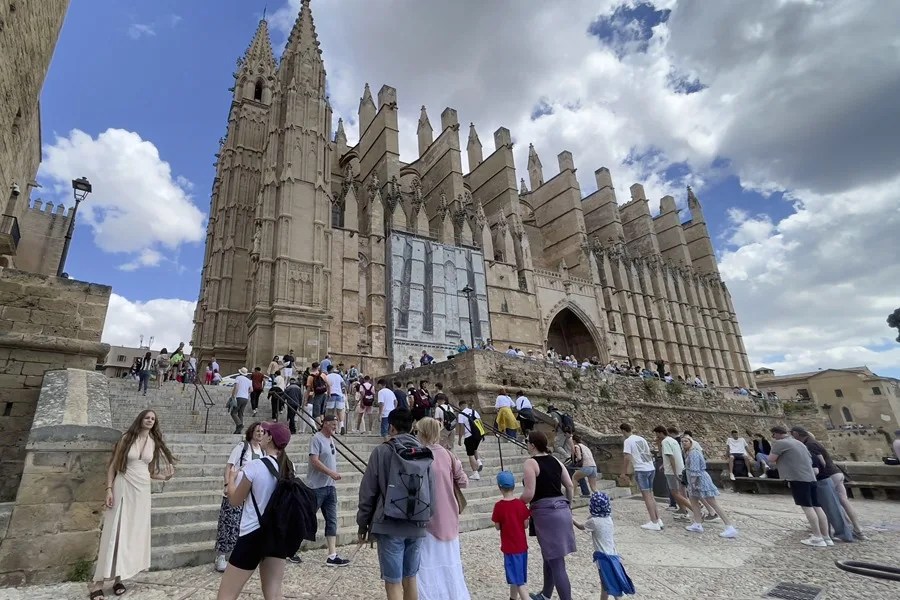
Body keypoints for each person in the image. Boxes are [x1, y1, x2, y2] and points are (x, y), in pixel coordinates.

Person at [90, 410, 176, 599]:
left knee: (130, 533)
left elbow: (151, 472)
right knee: (115, 530)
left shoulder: (153, 443)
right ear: (140, 419)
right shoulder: (127, 438)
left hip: (142, 491)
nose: (150, 421)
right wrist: (109, 489)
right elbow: (113, 465)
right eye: (147, 417)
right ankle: (97, 582)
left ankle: (119, 577)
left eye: (153, 419)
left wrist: (165, 477)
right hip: (123, 485)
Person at [357, 409, 431, 600]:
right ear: (412, 426)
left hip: (389, 522)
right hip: (417, 522)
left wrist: (363, 524)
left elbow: (368, 491)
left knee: (393, 581)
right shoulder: (425, 453)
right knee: (411, 577)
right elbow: (433, 490)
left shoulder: (382, 451)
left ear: (391, 427)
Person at [215, 422, 294, 600]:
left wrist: (232, 480)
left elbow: (234, 500)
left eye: (265, 432)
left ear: (270, 438)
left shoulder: (255, 466)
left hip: (253, 533)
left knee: (226, 594)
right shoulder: (289, 467)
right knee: (273, 593)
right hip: (277, 535)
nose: (262, 435)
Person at [415, 417, 470, 600]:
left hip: (427, 514)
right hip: (449, 513)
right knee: (450, 559)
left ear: (422, 433)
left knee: (428, 561)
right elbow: (463, 481)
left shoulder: (419, 455)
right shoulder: (448, 455)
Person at [520, 431, 575, 600]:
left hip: (545, 512)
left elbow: (529, 494)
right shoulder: (556, 460)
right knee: (549, 556)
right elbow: (570, 485)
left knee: (557, 563)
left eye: (528, 441)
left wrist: (516, 503)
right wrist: (568, 505)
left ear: (533, 445)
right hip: (562, 509)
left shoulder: (531, 463)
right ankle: (546, 594)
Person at [293, 415, 351, 566]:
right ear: (324, 424)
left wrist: (332, 476)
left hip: (330, 487)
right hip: (316, 488)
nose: (334, 427)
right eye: (332, 424)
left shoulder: (331, 439)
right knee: (306, 518)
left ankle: (332, 555)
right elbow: (314, 460)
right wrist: (330, 473)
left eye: (336, 425)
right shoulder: (316, 438)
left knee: (332, 520)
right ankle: (291, 549)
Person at [767, 426, 831, 547]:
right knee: (817, 506)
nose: (773, 437)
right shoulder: (799, 443)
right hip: (811, 477)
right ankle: (826, 537)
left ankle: (817, 537)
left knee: (807, 507)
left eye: (773, 435)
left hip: (798, 478)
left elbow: (770, 459)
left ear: (777, 434)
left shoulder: (780, 443)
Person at [790, 426, 854, 542]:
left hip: (823, 478)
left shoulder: (810, 445)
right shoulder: (812, 443)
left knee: (830, 506)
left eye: (793, 434)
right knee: (833, 505)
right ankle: (834, 532)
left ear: (797, 434)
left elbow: (821, 463)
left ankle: (843, 533)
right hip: (830, 475)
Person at [215, 422, 265, 572]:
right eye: (257, 431)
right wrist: (226, 484)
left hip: (250, 494)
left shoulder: (262, 451)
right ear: (251, 432)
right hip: (235, 489)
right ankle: (221, 556)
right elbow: (229, 466)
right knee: (228, 523)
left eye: (262, 431)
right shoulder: (242, 447)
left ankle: (236, 555)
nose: (260, 433)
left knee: (242, 526)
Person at [573, 492, 635, 600]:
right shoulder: (608, 519)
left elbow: (580, 527)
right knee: (612, 581)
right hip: (614, 555)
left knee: (606, 583)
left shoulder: (593, 521)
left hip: (603, 558)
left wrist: (571, 519)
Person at [680, 435, 738, 538]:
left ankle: (729, 526)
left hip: (699, 480)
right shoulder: (689, 452)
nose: (684, 443)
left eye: (686, 441)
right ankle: (697, 523)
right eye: (683, 441)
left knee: (712, 503)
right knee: (693, 501)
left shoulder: (694, 453)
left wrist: (693, 484)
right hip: (694, 480)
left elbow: (695, 470)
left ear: (691, 442)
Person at [492, 470, 531, 600]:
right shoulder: (521, 504)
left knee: (519, 581)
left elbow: (497, 526)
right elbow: (526, 524)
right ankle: (512, 598)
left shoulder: (499, 506)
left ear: (499, 487)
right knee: (517, 576)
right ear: (514, 486)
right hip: (522, 547)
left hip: (509, 548)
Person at [619, 423, 661, 531]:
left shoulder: (628, 441)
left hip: (641, 469)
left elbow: (627, 457)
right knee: (651, 495)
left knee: (646, 497)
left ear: (623, 431)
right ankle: (658, 519)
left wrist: (624, 472)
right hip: (650, 467)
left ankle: (654, 521)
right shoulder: (641, 439)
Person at [653, 426, 691, 517]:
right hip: (680, 469)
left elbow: (671, 457)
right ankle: (683, 509)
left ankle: (694, 509)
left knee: (675, 493)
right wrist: (664, 465)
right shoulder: (673, 440)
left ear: (660, 433)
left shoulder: (665, 441)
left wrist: (674, 472)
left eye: (656, 434)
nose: (656, 436)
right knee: (680, 492)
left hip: (672, 471)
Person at [457, 400, 484, 480]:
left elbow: (461, 428)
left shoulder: (461, 414)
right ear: (466, 405)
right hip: (478, 435)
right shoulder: (474, 411)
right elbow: (480, 422)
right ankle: (479, 462)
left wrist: (459, 439)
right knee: (475, 449)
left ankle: (475, 473)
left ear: (460, 406)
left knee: (470, 454)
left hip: (469, 436)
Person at [229, 368, 253, 435]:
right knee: (240, 413)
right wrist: (246, 392)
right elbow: (251, 390)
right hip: (245, 398)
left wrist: (233, 396)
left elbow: (236, 387)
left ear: (240, 372)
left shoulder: (238, 378)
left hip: (239, 397)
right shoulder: (248, 380)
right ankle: (238, 430)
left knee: (233, 413)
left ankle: (239, 425)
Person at [325, 364, 347, 434]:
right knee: (339, 412)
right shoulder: (338, 376)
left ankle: (332, 429)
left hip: (331, 394)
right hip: (339, 394)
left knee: (330, 412)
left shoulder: (327, 376)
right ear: (332, 369)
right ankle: (341, 426)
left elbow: (326, 386)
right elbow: (344, 384)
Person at [307, 362, 329, 426]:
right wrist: (328, 393)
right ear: (318, 367)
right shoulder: (323, 374)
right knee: (322, 412)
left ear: (312, 367)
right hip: (324, 394)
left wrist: (306, 400)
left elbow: (308, 389)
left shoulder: (310, 376)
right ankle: (323, 424)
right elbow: (328, 384)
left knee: (316, 413)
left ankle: (320, 427)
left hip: (317, 395)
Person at [433, 385, 455, 450]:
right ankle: (453, 459)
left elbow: (437, 421)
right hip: (452, 428)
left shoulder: (438, 408)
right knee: (451, 447)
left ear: (438, 401)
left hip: (444, 429)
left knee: (442, 447)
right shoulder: (450, 407)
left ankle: (445, 459)